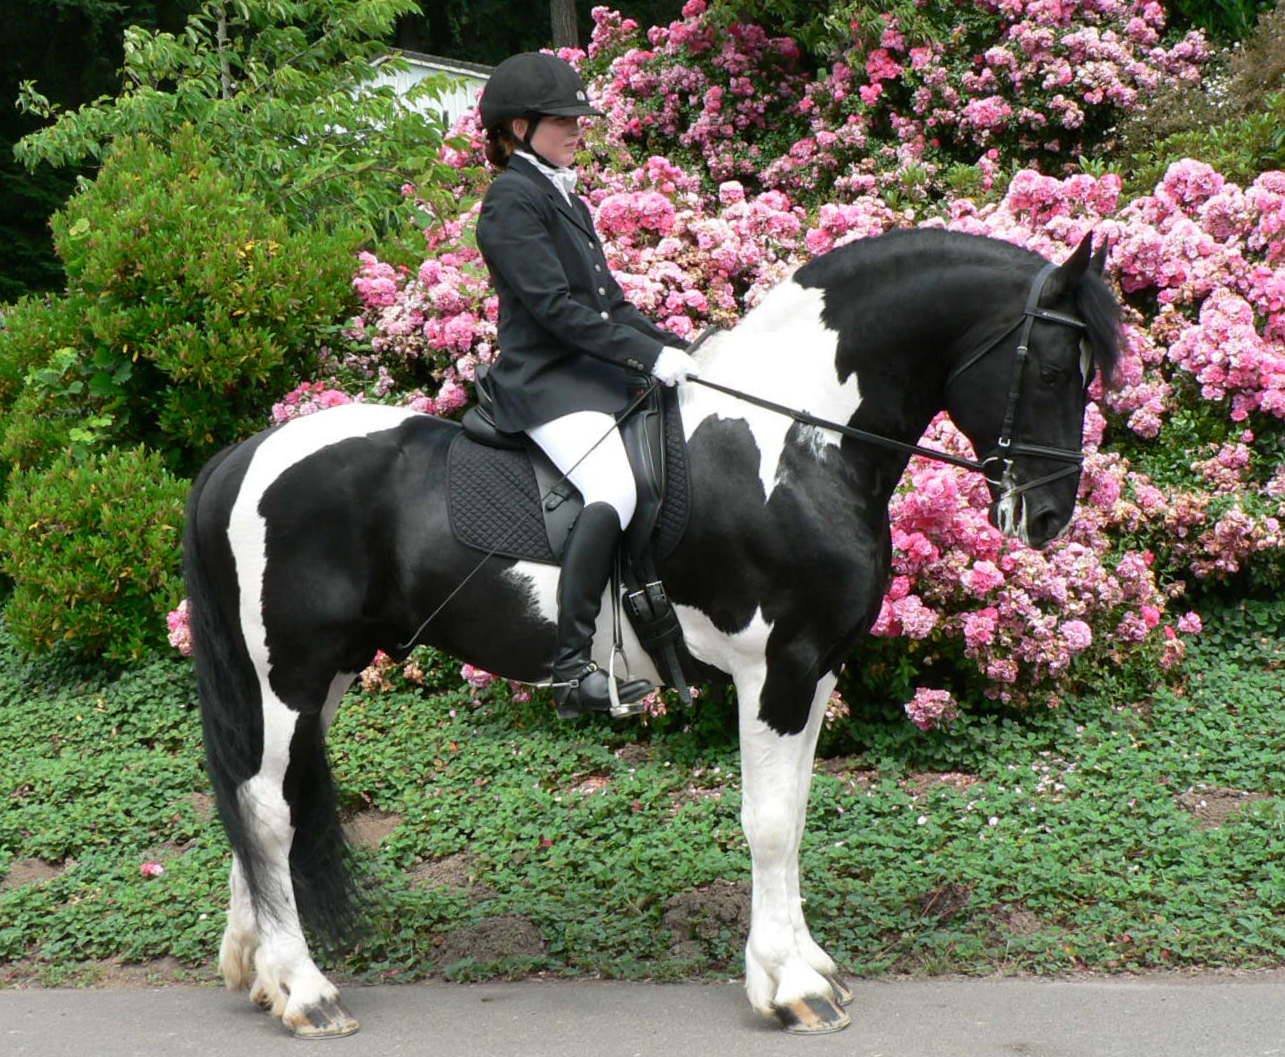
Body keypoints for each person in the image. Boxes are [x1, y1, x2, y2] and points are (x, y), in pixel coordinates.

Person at [475, 52, 700, 718]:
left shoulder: (558, 190)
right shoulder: (511, 200)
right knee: (615, 487)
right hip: (544, 381)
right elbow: (556, 311)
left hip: (586, 370)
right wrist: (641, 356)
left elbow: (608, 304)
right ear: (518, 126)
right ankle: (572, 671)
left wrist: (673, 349)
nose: (579, 128)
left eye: (580, 117)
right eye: (564, 119)